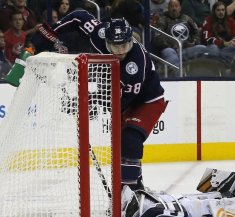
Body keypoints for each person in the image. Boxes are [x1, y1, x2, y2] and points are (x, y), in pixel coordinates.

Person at [29, 10, 168, 192]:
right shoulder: (99, 34)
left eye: (124, 46)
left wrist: (86, 103)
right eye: (115, 46)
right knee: (122, 148)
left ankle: (128, 192)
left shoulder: (134, 64)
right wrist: (53, 33)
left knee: (130, 140)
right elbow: (79, 16)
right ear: (106, 40)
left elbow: (118, 102)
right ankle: (136, 184)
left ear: (131, 41)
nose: (120, 52)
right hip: (122, 99)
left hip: (147, 101)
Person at [151, 0, 209, 72]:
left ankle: (199, 73)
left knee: (203, 48)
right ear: (168, 8)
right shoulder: (162, 19)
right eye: (172, 6)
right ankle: (179, 77)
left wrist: (194, 42)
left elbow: (196, 32)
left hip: (186, 50)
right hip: (170, 50)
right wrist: (173, 45)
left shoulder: (187, 18)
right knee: (169, 52)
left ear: (180, 8)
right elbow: (158, 38)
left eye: (176, 6)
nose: (174, 8)